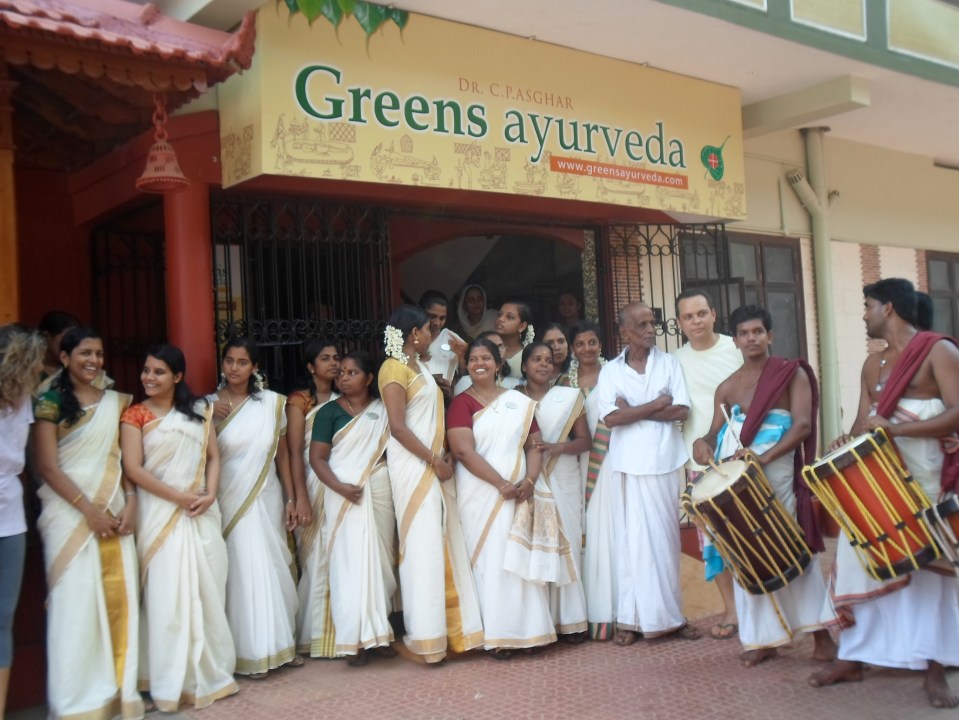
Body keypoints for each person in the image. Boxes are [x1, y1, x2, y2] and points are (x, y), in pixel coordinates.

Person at [810, 278, 959, 709]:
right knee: (857, 561)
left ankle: (934, 667)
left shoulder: (938, 351)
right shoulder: (871, 365)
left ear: (888, 307)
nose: (864, 314)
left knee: (929, 573)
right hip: (874, 485)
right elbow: (864, 424)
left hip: (923, 482)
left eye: (868, 306)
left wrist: (896, 430)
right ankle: (853, 658)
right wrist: (845, 440)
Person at [693, 305, 834, 667]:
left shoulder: (790, 374)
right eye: (743, 333)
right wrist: (702, 444)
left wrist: (763, 458)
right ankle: (763, 639)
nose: (751, 338)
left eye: (758, 331)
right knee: (746, 552)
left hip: (777, 474)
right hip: (739, 481)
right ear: (735, 340)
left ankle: (821, 637)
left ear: (770, 335)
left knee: (791, 546)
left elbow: (802, 426)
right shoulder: (727, 387)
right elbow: (712, 432)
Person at [32, 328, 143, 719]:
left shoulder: (116, 402)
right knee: (75, 606)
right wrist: (88, 511)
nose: (93, 360)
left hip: (115, 512)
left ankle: (119, 695)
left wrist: (132, 502)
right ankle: (76, 704)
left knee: (119, 600)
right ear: (64, 358)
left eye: (98, 353)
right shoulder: (49, 402)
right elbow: (47, 466)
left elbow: (123, 459)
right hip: (69, 516)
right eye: (84, 353)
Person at [119, 345, 237, 711]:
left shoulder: (199, 412)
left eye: (158, 372)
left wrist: (210, 493)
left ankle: (210, 674)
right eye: (146, 370)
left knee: (207, 593)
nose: (148, 377)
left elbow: (213, 457)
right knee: (165, 599)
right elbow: (133, 469)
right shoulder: (134, 415)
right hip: (160, 514)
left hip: (200, 511)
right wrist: (179, 497)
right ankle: (167, 681)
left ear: (177, 376)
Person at [378, 305, 483, 663]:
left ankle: (448, 631)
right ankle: (426, 637)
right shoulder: (393, 368)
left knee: (437, 544)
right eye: (427, 329)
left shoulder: (419, 366)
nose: (431, 334)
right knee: (421, 547)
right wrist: (434, 460)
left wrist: (443, 455)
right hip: (414, 467)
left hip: (432, 462)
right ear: (413, 334)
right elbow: (397, 427)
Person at [595, 302, 697, 646]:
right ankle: (631, 620)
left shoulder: (669, 363)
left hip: (665, 462)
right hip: (627, 465)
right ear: (624, 331)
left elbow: (681, 409)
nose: (650, 330)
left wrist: (633, 411)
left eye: (652, 323)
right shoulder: (610, 371)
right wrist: (655, 405)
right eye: (641, 325)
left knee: (666, 543)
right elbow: (611, 418)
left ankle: (672, 618)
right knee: (630, 544)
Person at [448, 338, 555, 658]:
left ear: (498, 364)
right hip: (481, 491)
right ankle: (498, 636)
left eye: (486, 358)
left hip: (519, 491)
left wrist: (530, 480)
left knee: (518, 558)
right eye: (473, 359)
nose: (479, 363)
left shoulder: (518, 402)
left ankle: (530, 632)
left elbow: (534, 445)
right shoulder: (461, 403)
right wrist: (500, 484)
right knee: (490, 559)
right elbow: (463, 451)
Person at [211, 338, 301, 677]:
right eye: (229, 361)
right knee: (241, 571)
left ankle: (280, 645)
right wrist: (208, 419)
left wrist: (291, 498)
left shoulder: (272, 404)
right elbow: (202, 456)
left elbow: (282, 456)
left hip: (266, 496)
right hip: (229, 497)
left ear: (255, 367)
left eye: (242, 362)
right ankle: (248, 652)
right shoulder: (207, 406)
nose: (234, 368)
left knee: (272, 566)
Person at [309, 351, 396, 667]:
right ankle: (355, 640)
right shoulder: (328, 413)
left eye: (352, 372)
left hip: (378, 489)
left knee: (381, 560)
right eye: (341, 373)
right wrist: (340, 487)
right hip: (342, 493)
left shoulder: (383, 409)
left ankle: (379, 633)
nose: (344, 378)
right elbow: (317, 459)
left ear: (370, 378)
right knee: (348, 563)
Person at [672, 289, 743, 640]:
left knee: (750, 532)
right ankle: (732, 610)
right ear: (679, 323)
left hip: (741, 458)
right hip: (698, 464)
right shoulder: (674, 361)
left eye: (701, 313)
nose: (696, 321)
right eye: (688, 316)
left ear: (714, 314)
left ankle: (763, 605)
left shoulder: (736, 348)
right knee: (713, 541)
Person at [519, 341, 590, 642]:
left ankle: (572, 621)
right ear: (524, 366)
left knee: (567, 543)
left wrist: (555, 447)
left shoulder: (569, 397)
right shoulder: (512, 398)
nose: (543, 365)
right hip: (528, 478)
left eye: (548, 360)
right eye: (536, 359)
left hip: (563, 475)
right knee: (535, 547)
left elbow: (584, 441)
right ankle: (541, 622)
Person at [557, 321, 615, 640]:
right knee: (586, 530)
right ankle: (590, 611)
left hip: (611, 459)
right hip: (578, 463)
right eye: (580, 344)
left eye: (592, 342)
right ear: (573, 349)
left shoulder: (614, 375)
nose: (587, 348)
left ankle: (616, 611)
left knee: (609, 529)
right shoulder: (564, 383)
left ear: (600, 345)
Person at [286, 340, 341, 658]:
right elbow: (295, 452)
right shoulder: (300, 401)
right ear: (310, 366)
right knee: (316, 558)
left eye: (336, 357)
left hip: (338, 481)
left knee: (337, 555)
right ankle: (313, 636)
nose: (333, 363)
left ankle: (341, 634)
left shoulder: (344, 398)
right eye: (325, 358)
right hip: (310, 480)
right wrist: (300, 498)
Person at [0, 325, 44, 719]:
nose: (39, 369)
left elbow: (28, 458)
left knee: (3, 619)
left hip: (10, 515)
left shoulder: (24, 399)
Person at [419, 290, 466, 397]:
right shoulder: (411, 337)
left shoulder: (452, 339)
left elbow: (464, 377)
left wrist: (462, 357)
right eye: (432, 316)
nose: (437, 323)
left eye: (442, 318)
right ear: (420, 311)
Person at [452, 331, 521, 395]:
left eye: (500, 346)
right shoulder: (466, 383)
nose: (497, 351)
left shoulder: (517, 384)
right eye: (491, 347)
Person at [496, 301, 535, 380]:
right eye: (500, 315)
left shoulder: (529, 356)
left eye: (509, 317)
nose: (501, 319)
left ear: (522, 326)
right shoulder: (488, 350)